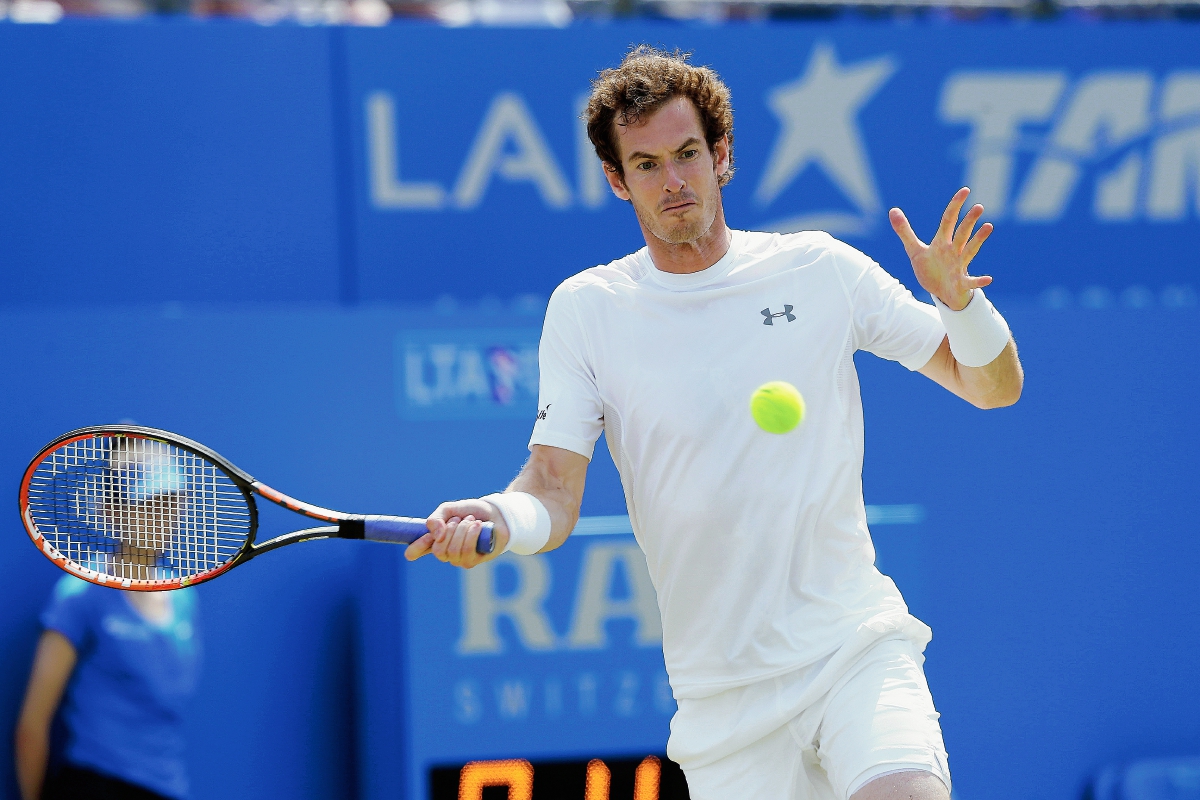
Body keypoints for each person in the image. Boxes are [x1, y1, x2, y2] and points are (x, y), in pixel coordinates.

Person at [405, 46, 1023, 800]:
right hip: (723, 708)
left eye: (688, 154)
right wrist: (500, 517)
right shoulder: (586, 309)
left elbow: (993, 388)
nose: (673, 182)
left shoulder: (819, 269)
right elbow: (553, 489)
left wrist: (962, 306)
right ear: (616, 179)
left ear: (720, 153)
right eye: (646, 164)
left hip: (853, 649)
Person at [15, 437, 202, 800]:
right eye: (149, 503)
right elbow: (32, 726)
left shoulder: (185, 597)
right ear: (111, 511)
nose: (165, 515)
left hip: (168, 788)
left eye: (171, 500)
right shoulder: (81, 595)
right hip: (94, 786)